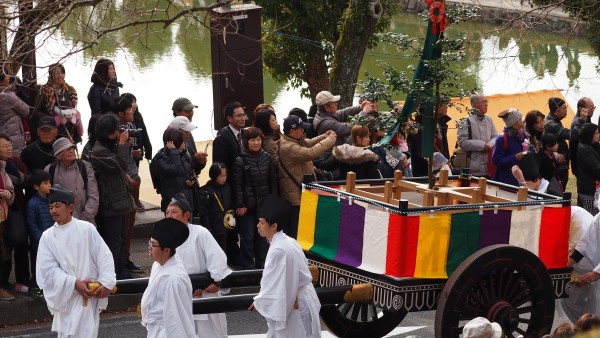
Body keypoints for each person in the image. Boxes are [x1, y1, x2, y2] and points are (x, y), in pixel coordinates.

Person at [36, 185, 116, 337]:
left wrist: (106, 283)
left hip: (88, 295)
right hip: (66, 297)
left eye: (58, 206)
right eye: (51, 207)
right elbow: (47, 270)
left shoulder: (86, 229)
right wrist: (73, 283)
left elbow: (103, 256)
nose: (53, 210)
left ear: (70, 207)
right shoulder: (47, 237)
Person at [249, 194, 322, 338]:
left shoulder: (278, 250)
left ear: (274, 226)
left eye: (262, 223)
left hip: (294, 306)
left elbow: (277, 285)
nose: (258, 226)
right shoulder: (289, 241)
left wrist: (260, 301)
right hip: (302, 300)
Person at [167, 194, 231, 338]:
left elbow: (216, 257)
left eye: (174, 212)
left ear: (186, 215)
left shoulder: (199, 233)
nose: (169, 215)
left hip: (205, 291)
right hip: (180, 294)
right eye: (167, 212)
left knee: (211, 333)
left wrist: (217, 282)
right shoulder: (164, 238)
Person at [89, 113, 135, 280]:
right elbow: (121, 165)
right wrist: (122, 144)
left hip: (120, 201)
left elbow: (124, 165)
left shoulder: (110, 147)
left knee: (121, 239)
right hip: (111, 205)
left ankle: (121, 269)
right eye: (115, 131)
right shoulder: (99, 151)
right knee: (113, 242)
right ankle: (116, 274)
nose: (118, 134)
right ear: (104, 132)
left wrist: (126, 146)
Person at [279, 115, 336, 239]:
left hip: (302, 194)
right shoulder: (288, 147)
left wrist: (324, 136)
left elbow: (308, 143)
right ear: (292, 131)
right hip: (295, 198)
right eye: (300, 129)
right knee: (295, 232)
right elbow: (311, 153)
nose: (303, 131)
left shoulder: (295, 140)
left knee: (305, 230)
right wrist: (330, 140)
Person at [141, 217, 195, 338]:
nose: (149, 248)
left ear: (166, 250)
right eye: (150, 242)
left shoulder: (172, 279)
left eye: (153, 245)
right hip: (156, 330)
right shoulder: (158, 265)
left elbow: (174, 318)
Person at [233, 127, 278, 269]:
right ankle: (247, 268)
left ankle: (262, 266)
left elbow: (272, 182)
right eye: (252, 140)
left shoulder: (267, 158)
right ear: (246, 142)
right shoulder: (240, 161)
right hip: (247, 207)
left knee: (263, 237)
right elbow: (237, 185)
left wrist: (273, 201)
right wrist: (240, 205)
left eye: (258, 139)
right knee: (247, 237)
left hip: (264, 205)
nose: (256, 143)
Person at [213, 101, 246, 265]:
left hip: (244, 187)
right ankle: (231, 256)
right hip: (229, 187)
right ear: (229, 118)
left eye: (243, 114)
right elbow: (219, 165)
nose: (243, 118)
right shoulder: (222, 138)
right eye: (239, 115)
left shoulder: (245, 134)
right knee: (230, 223)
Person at [114, 95, 144, 274]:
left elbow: (132, 152)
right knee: (121, 227)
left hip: (134, 176)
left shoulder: (132, 126)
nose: (133, 112)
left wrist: (137, 153)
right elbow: (116, 158)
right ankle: (120, 262)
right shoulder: (116, 129)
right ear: (120, 113)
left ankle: (126, 258)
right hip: (123, 181)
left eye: (133, 109)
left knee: (130, 225)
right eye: (129, 109)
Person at [45, 137, 99, 224]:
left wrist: (85, 217)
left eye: (72, 148)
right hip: (61, 221)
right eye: (67, 149)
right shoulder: (50, 170)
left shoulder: (85, 167)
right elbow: (46, 197)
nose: (71, 151)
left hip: (85, 220)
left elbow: (93, 196)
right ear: (59, 155)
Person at [38, 63, 83, 143]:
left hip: (69, 130)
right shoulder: (45, 90)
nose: (60, 76)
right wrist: (52, 119)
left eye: (62, 73)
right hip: (53, 129)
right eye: (57, 73)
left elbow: (73, 108)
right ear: (51, 75)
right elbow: (37, 111)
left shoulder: (70, 90)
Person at [25, 170, 53, 297]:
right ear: (36, 186)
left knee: (51, 264)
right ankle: (34, 288)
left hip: (52, 239)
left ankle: (47, 288)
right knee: (39, 265)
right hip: (39, 241)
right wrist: (41, 238)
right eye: (45, 183)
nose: (49, 186)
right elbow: (32, 225)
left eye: (49, 183)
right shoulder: (32, 204)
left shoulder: (51, 201)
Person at [154, 128, 196, 214]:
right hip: (172, 205)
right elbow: (174, 169)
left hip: (187, 202)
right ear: (174, 143)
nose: (184, 145)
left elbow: (190, 171)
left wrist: (191, 181)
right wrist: (174, 152)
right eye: (181, 142)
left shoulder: (184, 155)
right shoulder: (161, 158)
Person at [457, 93, 498, 178]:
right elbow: (462, 142)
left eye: (487, 101)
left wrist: (489, 145)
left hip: (488, 167)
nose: (486, 104)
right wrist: (482, 146)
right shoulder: (465, 121)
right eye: (483, 102)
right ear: (475, 105)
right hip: (472, 169)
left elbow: (495, 136)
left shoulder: (489, 119)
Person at [123, 93, 152, 211]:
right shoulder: (124, 120)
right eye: (132, 102)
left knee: (136, 175)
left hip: (137, 150)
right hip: (127, 149)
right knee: (128, 175)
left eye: (135, 101)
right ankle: (130, 198)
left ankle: (136, 198)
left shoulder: (138, 117)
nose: (134, 104)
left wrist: (148, 149)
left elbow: (144, 134)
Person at [492, 108, 531, 186]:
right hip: (505, 179)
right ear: (512, 123)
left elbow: (530, 147)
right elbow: (496, 160)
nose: (521, 122)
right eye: (519, 120)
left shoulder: (521, 133)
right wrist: (514, 157)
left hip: (520, 176)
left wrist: (528, 152)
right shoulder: (501, 139)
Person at [171, 97, 207, 175]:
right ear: (177, 112)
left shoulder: (188, 133)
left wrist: (201, 162)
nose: (191, 113)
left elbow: (194, 169)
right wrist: (195, 159)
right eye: (187, 111)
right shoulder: (171, 137)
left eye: (192, 110)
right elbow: (177, 170)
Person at [0, 62, 29, 156]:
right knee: (16, 162)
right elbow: (26, 110)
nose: (9, 77)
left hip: (3, 134)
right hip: (13, 136)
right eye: (6, 75)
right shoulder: (7, 95)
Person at [203, 163, 233, 250]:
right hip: (213, 226)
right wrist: (207, 226)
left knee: (223, 247)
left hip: (225, 225)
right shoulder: (207, 190)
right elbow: (204, 211)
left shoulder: (227, 188)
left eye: (225, 175)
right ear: (214, 175)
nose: (224, 178)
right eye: (221, 175)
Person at [0, 134, 15, 301]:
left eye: (10, 145)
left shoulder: (4, 167)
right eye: (5, 146)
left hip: (2, 214)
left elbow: (10, 191)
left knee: (4, 251)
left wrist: (7, 193)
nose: (9, 148)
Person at [543, 97, 570, 191]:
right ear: (556, 110)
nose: (566, 110)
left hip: (559, 163)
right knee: (559, 193)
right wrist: (582, 119)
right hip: (557, 165)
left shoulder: (554, 120)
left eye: (566, 107)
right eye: (564, 108)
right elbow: (570, 135)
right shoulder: (551, 124)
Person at [576, 123, 600, 215]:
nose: (599, 134)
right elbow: (597, 170)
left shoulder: (593, 146)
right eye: (597, 133)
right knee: (591, 220)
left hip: (591, 190)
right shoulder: (586, 149)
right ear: (590, 135)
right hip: (589, 192)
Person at [570, 97, 595, 178]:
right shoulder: (578, 122)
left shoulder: (586, 119)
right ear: (581, 108)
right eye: (590, 107)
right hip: (581, 164)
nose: (592, 110)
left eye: (593, 107)